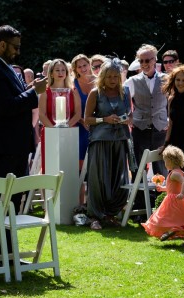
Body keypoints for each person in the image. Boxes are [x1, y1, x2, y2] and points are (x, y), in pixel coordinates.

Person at [0, 25, 47, 254]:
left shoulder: (2, 66)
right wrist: (34, 92)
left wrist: (30, 90)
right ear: (2, 44)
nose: (17, 52)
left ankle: (7, 253)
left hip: (11, 147)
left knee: (11, 202)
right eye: (15, 47)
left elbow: (13, 99)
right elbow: (6, 106)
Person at [84, 58, 133, 230]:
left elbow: (131, 116)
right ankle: (95, 215)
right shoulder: (95, 93)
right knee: (98, 179)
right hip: (100, 140)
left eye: (116, 76)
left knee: (118, 178)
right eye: (109, 77)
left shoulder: (125, 92)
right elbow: (87, 119)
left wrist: (125, 119)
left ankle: (111, 214)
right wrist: (104, 119)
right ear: (103, 77)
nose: (113, 80)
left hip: (120, 139)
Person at [124, 44, 169, 214]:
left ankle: (162, 208)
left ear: (155, 60)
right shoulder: (132, 81)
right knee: (139, 169)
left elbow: (172, 102)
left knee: (161, 168)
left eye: (148, 60)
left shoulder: (166, 79)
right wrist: (129, 117)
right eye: (141, 61)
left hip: (160, 129)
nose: (144, 64)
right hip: (140, 129)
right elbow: (124, 101)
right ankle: (140, 208)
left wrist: (169, 120)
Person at [141, 145, 184, 246]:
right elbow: (174, 187)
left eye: (165, 161)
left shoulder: (175, 174)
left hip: (174, 200)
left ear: (171, 161)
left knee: (163, 218)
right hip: (180, 199)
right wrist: (164, 189)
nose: (164, 164)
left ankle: (170, 230)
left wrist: (182, 194)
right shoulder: (178, 172)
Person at [39, 58, 81, 172]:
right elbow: (41, 115)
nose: (61, 73)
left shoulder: (73, 90)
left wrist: (65, 128)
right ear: (51, 73)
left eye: (63, 70)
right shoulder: (45, 91)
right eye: (57, 70)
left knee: (68, 167)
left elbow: (78, 113)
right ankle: (46, 190)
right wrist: (54, 130)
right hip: (50, 132)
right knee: (49, 167)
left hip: (69, 133)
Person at [71, 54, 96, 169]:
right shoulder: (72, 84)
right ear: (75, 69)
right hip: (79, 126)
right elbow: (70, 109)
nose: (83, 68)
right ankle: (79, 185)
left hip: (97, 125)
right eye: (79, 67)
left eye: (84, 65)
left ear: (89, 64)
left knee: (95, 161)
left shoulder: (99, 81)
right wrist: (82, 120)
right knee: (79, 164)